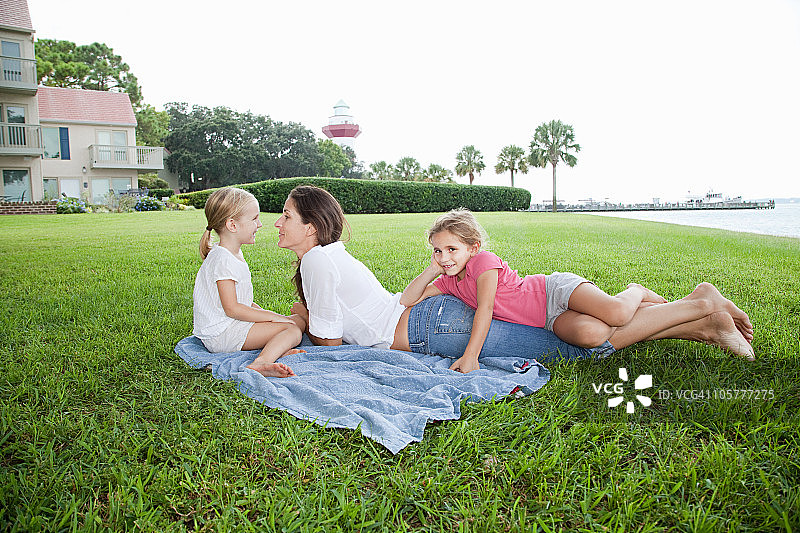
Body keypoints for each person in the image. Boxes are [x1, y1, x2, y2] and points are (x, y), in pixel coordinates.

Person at [276, 185, 755, 371]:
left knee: (581, 346)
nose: (279, 224)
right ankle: (701, 321)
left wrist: (302, 325)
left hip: (433, 327)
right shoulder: (330, 255)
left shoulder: (317, 260)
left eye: (286, 216)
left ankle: (697, 307)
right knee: (587, 337)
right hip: (430, 319)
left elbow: (332, 341)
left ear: (311, 227)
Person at [399, 209, 753, 373]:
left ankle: (642, 290)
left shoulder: (483, 263)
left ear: (473, 247)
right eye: (437, 250)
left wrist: (471, 355)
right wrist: (433, 267)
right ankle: (702, 316)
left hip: (554, 293)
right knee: (591, 334)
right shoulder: (448, 278)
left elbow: (486, 310)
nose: (444, 257)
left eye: (452, 250)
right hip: (550, 320)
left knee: (616, 313)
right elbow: (407, 299)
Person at [193, 187, 305, 378]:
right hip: (221, 334)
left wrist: (273, 316)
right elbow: (233, 308)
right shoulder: (222, 259)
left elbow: (243, 302)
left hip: (233, 326)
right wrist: (273, 317)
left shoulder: (231, 253)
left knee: (298, 322)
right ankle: (261, 362)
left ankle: (275, 350)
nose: (260, 224)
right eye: (254, 219)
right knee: (292, 329)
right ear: (232, 225)